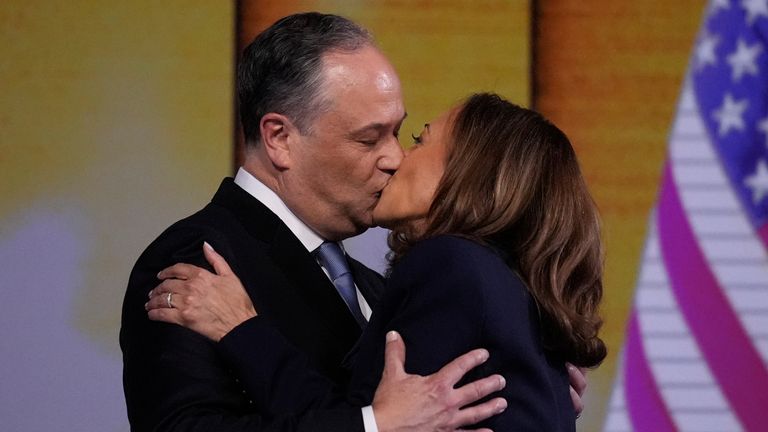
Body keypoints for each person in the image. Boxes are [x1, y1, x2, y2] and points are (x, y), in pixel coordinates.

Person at [121, 13, 510, 432]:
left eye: (398, 133)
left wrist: (533, 388)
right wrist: (373, 427)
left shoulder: (377, 288)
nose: (395, 158)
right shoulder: (199, 261)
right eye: (368, 138)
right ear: (280, 139)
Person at [146, 93, 607, 431]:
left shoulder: (450, 265)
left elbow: (365, 417)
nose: (395, 158)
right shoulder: (501, 284)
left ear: (471, 174)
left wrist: (240, 329)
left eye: (418, 140)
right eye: (373, 138)